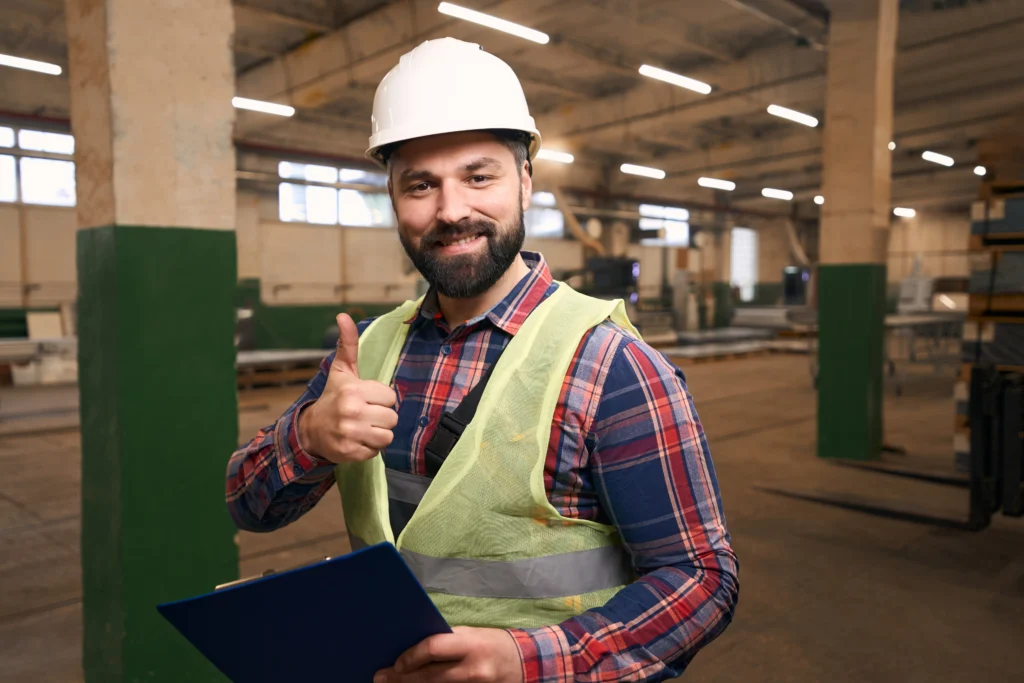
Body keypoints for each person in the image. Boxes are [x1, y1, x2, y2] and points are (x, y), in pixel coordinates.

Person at [225, 37, 738, 683]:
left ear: (525, 180)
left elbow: (702, 579)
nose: (450, 210)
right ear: (392, 196)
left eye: (478, 175)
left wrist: (526, 659)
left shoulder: (612, 364)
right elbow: (247, 504)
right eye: (420, 184)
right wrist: (308, 437)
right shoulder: (369, 352)